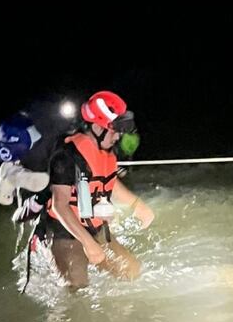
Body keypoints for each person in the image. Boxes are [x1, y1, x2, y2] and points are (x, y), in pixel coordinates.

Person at [42, 90, 155, 290]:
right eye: (114, 130)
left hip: (96, 228)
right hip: (66, 233)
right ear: (96, 127)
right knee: (77, 289)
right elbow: (60, 205)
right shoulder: (66, 156)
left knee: (133, 272)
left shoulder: (106, 155)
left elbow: (109, 183)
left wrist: (138, 204)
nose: (118, 136)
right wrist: (88, 243)